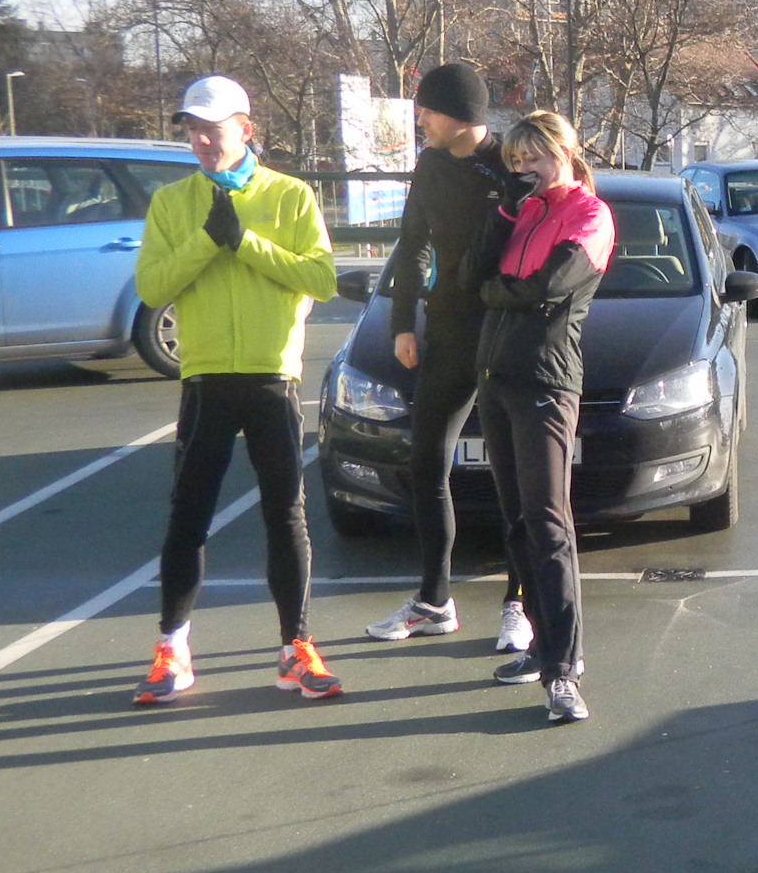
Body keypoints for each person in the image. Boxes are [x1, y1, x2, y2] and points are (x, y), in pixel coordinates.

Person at [130, 75, 341, 706]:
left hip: (272, 373)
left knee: (286, 513)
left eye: (213, 129)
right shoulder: (172, 202)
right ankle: (173, 648)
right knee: (188, 513)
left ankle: (295, 647)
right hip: (205, 376)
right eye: (193, 130)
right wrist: (205, 240)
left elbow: (322, 279)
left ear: (245, 130)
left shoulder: (291, 195)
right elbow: (152, 287)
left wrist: (244, 242)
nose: (201, 140)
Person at [362, 61, 529, 650]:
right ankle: (434, 601)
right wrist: (402, 324)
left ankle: (520, 602)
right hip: (450, 332)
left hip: (505, 331)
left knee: (515, 474)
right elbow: (412, 245)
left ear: (461, 115)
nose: (420, 121)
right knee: (427, 461)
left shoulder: (511, 161)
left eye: (428, 111)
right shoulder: (430, 165)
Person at [469, 111, 612, 725]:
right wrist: (504, 211)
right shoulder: (523, 211)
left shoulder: (589, 214)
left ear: (564, 151)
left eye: (535, 157)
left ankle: (563, 669)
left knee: (549, 525)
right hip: (496, 380)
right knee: (518, 524)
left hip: (546, 383)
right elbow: (472, 273)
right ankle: (538, 644)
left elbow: (548, 288)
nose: (525, 169)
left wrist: (495, 290)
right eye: (516, 160)